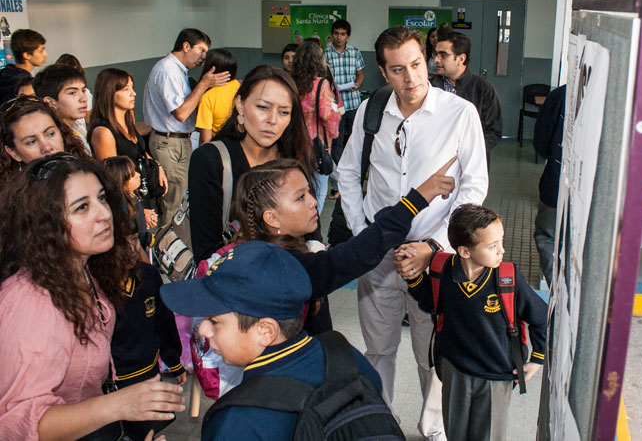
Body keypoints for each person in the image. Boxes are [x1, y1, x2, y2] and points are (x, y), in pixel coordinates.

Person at [336, 25, 489, 440]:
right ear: (384, 72)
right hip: (378, 255)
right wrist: (362, 230)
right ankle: (380, 425)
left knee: (431, 354)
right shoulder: (372, 112)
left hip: (433, 258)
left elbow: (474, 186)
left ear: (427, 59)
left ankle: (433, 428)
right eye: (398, 69)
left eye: (418, 64)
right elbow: (348, 173)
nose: (412, 78)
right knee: (379, 349)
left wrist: (435, 246)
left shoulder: (460, 114)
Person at [0, 153, 185, 440]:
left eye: (101, 198)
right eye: (81, 207)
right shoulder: (31, 302)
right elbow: (17, 424)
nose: (104, 214)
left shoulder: (86, 270)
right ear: (46, 225)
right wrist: (118, 405)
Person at [159, 241, 384, 440]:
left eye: (215, 320)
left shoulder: (236, 423)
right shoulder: (348, 357)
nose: (205, 329)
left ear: (266, 331)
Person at [232, 155, 456, 335]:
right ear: (272, 218)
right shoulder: (286, 268)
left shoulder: (257, 253)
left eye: (309, 192)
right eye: (300, 197)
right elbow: (355, 255)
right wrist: (417, 198)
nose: (312, 202)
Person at [400, 204, 547, 441]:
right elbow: (432, 302)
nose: (502, 250)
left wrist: (537, 359)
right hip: (455, 370)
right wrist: (414, 279)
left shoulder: (507, 278)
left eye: (501, 241)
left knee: (488, 435)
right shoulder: (444, 270)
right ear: (465, 251)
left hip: (496, 376)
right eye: (492, 246)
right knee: (455, 432)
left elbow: (540, 317)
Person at [188, 65, 313, 263]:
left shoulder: (293, 158)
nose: (272, 120)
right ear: (240, 104)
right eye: (263, 107)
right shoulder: (211, 160)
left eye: (284, 112)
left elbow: (310, 228)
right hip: (234, 283)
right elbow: (206, 252)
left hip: (293, 275)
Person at [143, 28, 230, 225]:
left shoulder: (179, 71)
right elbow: (181, 113)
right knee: (172, 202)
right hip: (169, 143)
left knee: (180, 198)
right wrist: (204, 85)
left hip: (177, 142)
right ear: (185, 46)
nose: (203, 57)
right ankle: (166, 249)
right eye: (201, 50)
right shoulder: (167, 71)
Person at [90, 68, 167, 228]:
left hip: (145, 191)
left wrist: (156, 165)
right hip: (129, 200)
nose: (133, 93)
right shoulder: (103, 132)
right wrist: (139, 208)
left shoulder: (127, 117)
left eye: (132, 87)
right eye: (126, 90)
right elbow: (112, 178)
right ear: (109, 93)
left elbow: (137, 148)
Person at [431, 31, 503, 164]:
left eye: (443, 55)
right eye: (436, 54)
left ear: (461, 58)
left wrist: (467, 154)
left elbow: (493, 132)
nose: (436, 60)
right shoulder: (429, 87)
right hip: (434, 162)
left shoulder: (484, 89)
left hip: (471, 163)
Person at [292, 40, 343, 215]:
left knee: (295, 189)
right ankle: (311, 231)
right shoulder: (321, 85)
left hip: (292, 143)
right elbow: (327, 115)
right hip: (316, 145)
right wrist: (337, 118)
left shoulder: (290, 83)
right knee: (319, 190)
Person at [0, 95, 89, 183]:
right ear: (14, 153)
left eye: (51, 134)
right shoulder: (13, 196)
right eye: (31, 142)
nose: (46, 147)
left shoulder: (90, 176)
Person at [324, 19, 365, 197]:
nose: (339, 37)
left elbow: (360, 74)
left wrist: (358, 84)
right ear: (331, 34)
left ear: (348, 36)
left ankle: (354, 178)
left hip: (353, 102)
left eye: (342, 34)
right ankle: (341, 181)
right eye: (336, 33)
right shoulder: (325, 54)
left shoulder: (355, 52)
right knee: (337, 143)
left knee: (355, 140)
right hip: (335, 106)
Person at [532, 85, 565, 287]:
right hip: (602, 194)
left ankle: (558, 293)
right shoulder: (622, 97)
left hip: (558, 182)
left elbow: (541, 142)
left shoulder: (562, 95)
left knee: (548, 237)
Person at [32, 64, 92, 155]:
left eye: (83, 91)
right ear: (50, 102)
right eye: (72, 93)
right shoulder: (53, 142)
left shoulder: (75, 127)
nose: (83, 98)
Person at [196, 49, 240, 144]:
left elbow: (205, 140)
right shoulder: (241, 87)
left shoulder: (208, 97)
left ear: (211, 69)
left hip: (220, 148)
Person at [0, 29, 46, 104]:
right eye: (41, 51)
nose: (45, 54)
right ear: (27, 55)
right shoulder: (23, 84)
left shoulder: (5, 74)